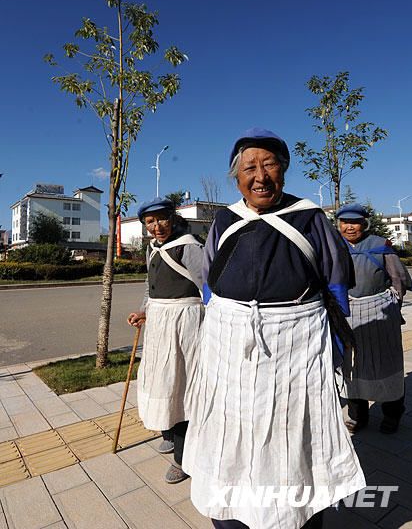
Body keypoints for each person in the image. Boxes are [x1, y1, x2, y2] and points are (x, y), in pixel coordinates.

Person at [182, 128, 365, 529]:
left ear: (283, 170)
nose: (261, 175)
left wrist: (334, 342)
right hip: (231, 345)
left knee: (292, 431)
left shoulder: (310, 216)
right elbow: (211, 283)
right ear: (237, 176)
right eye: (250, 167)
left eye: (270, 165)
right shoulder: (226, 219)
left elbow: (334, 279)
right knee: (232, 428)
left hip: (295, 342)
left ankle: (295, 515)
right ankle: (230, 514)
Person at [127, 197, 204, 483]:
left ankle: (184, 459)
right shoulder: (152, 249)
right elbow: (151, 287)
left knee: (180, 383)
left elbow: (208, 285)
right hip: (159, 324)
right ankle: (169, 434)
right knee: (160, 379)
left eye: (161, 219)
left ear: (173, 218)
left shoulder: (189, 246)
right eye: (150, 221)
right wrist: (143, 311)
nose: (156, 226)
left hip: (185, 323)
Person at [336, 203, 412, 435]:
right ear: (339, 224)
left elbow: (398, 279)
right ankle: (358, 415)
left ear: (365, 224)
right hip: (346, 314)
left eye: (355, 222)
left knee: (386, 363)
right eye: (345, 222)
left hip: (379, 313)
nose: (350, 227)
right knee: (351, 367)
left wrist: (392, 307)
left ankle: (393, 413)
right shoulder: (334, 246)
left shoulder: (381, 245)